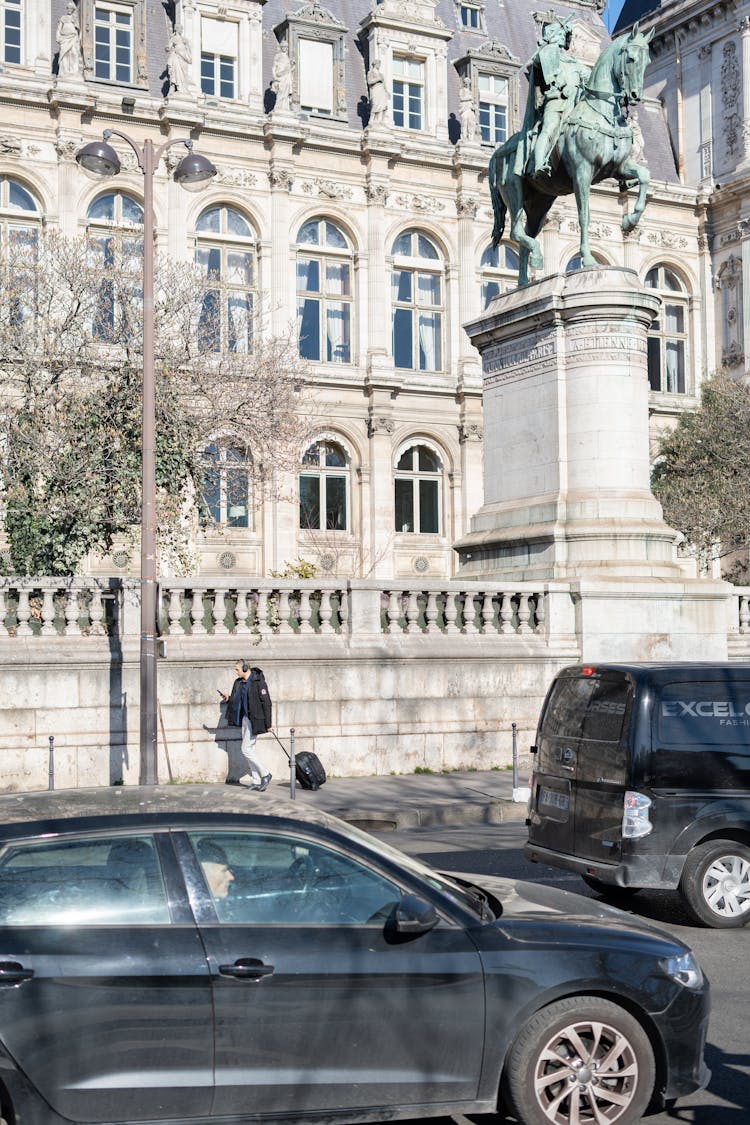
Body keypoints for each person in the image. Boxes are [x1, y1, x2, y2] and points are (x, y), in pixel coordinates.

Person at [524, 19, 584, 176]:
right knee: (549, 129)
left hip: (576, 105)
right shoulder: (547, 56)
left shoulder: (576, 64)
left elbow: (591, 80)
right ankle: (538, 164)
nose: (564, 36)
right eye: (560, 33)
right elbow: (536, 63)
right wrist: (546, 47)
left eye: (565, 34)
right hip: (556, 103)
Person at [221, 660, 273, 791]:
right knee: (250, 750)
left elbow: (267, 703)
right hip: (244, 719)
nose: (235, 671)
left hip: (255, 720)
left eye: (237, 669)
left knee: (246, 749)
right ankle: (256, 780)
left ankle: (265, 774)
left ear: (245, 668)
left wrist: (269, 724)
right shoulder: (239, 683)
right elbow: (237, 698)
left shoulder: (258, 682)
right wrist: (228, 698)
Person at [56, 1, 82, 79]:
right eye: (68, 8)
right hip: (64, 38)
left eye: (71, 8)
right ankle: (64, 71)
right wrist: (58, 37)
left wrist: (78, 39)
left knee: (73, 53)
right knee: (64, 55)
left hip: (73, 37)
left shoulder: (74, 19)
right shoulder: (63, 18)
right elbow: (58, 29)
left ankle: (73, 71)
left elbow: (78, 30)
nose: (69, 10)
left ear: (73, 10)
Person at [166, 26, 192, 94]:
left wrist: (188, 56)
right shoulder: (173, 38)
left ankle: (184, 89)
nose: (182, 30)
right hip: (177, 57)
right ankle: (177, 88)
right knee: (176, 73)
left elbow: (189, 50)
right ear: (177, 29)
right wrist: (167, 48)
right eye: (181, 29)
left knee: (184, 74)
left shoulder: (184, 39)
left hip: (183, 59)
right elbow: (168, 47)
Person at [367, 59, 389, 127]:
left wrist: (387, 92)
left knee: (384, 105)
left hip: (382, 90)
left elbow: (384, 84)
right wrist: (377, 79)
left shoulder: (381, 74)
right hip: (376, 90)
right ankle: (371, 120)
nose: (379, 65)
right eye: (378, 64)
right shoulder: (370, 72)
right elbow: (369, 82)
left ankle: (381, 120)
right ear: (375, 64)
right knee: (376, 105)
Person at [271, 42, 293, 111]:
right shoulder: (277, 56)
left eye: (285, 47)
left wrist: (293, 66)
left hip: (286, 77)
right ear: (281, 47)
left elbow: (289, 69)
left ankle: (285, 107)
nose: (284, 48)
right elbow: (274, 67)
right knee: (281, 91)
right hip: (280, 76)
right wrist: (274, 77)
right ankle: (278, 107)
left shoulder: (287, 57)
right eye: (283, 46)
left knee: (285, 92)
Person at [458, 77, 477, 142]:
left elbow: (473, 101)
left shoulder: (470, 92)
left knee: (471, 123)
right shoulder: (462, 90)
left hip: (470, 108)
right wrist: (469, 98)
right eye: (466, 82)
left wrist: (473, 106)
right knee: (464, 122)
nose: (467, 84)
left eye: (468, 83)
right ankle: (464, 137)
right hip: (464, 108)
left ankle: (471, 138)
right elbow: (461, 99)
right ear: (464, 83)